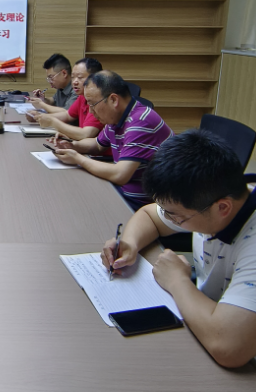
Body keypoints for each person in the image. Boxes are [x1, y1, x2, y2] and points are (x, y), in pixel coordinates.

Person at [101, 130, 256, 368]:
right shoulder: (210, 199)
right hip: (206, 315)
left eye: (176, 216)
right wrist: (130, 244)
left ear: (222, 208)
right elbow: (149, 216)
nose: (169, 218)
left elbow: (228, 347)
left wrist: (177, 280)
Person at [52, 71, 172, 208]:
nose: (90, 111)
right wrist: (72, 145)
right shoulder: (117, 117)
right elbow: (97, 145)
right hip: (122, 191)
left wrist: (78, 159)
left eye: (92, 104)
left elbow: (120, 175)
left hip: (144, 204)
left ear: (113, 100)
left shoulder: (141, 122)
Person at [30, 58, 104, 141]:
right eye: (73, 77)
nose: (74, 82)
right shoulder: (82, 96)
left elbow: (85, 134)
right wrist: (39, 117)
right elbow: (68, 115)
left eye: (80, 77)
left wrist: (53, 122)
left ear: (95, 79)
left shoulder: (99, 101)